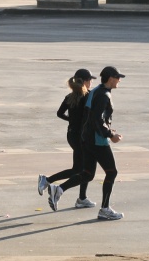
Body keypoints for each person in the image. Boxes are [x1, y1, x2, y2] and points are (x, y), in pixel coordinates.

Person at [47, 66, 125, 221]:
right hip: (97, 140)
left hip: (86, 139)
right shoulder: (104, 95)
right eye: (118, 77)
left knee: (87, 174)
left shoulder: (95, 91)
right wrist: (110, 134)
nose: (119, 80)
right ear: (111, 78)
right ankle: (105, 209)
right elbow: (97, 119)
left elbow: (90, 117)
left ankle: (59, 189)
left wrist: (105, 128)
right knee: (112, 172)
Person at [37, 68, 96, 208]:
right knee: (82, 169)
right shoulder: (87, 96)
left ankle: (82, 198)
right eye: (91, 80)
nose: (92, 82)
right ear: (86, 81)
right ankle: (47, 180)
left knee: (81, 169)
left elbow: (59, 113)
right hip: (81, 137)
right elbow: (88, 117)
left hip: (71, 135)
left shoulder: (70, 96)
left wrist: (71, 120)